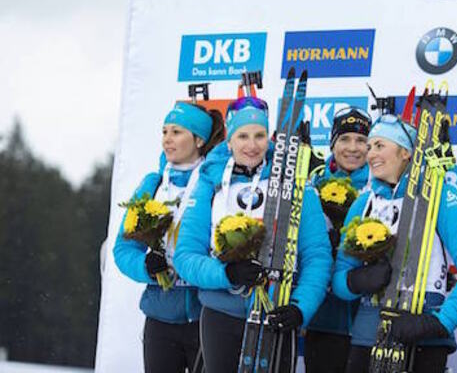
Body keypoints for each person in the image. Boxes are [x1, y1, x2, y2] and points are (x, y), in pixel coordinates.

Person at [173, 96, 333, 373]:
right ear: (230, 140)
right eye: (243, 136)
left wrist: (300, 308)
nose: (252, 145)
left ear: (269, 137)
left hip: (276, 312)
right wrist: (227, 274)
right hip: (221, 315)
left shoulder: (295, 183)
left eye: (259, 135)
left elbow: (317, 255)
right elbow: (185, 255)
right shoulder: (209, 183)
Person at [332, 115, 457, 373]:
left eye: (380, 145)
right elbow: (339, 279)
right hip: (366, 339)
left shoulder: (439, 195)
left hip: (421, 339)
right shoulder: (362, 204)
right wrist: (356, 281)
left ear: (406, 152)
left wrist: (438, 323)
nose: (370, 153)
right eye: (370, 146)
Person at [113, 101, 224, 373]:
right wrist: (145, 267)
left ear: (198, 140)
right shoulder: (153, 185)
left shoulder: (217, 183)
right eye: (164, 132)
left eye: (177, 132)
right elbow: (123, 248)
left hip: (204, 315)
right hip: (160, 316)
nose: (167, 139)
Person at [304, 106, 371, 373]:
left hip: (365, 315)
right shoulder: (314, 181)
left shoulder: (382, 185)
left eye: (361, 140)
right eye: (344, 139)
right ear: (332, 143)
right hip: (323, 315)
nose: (352, 148)